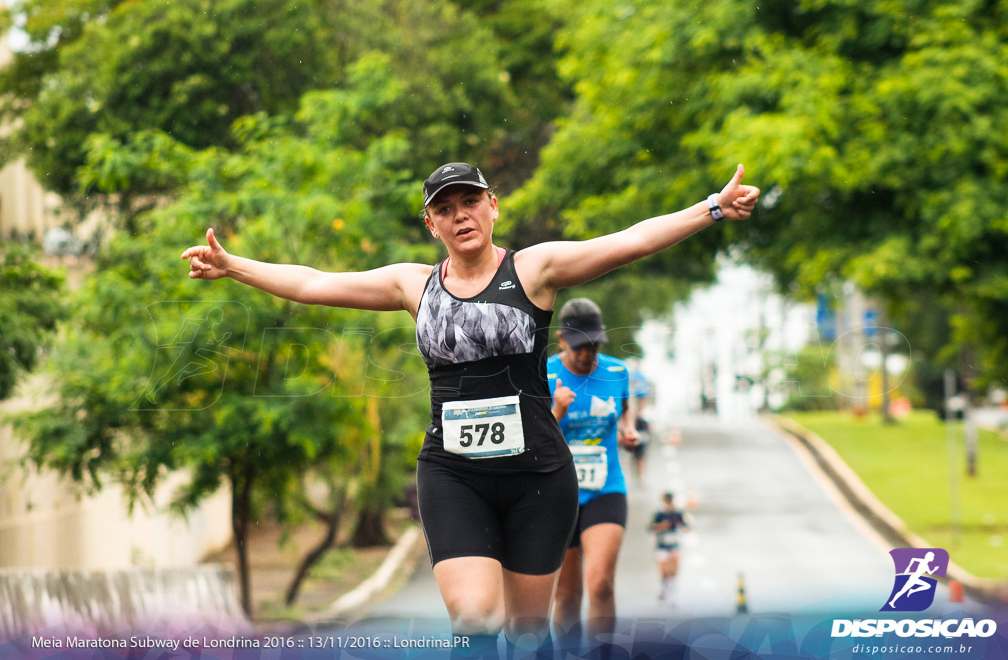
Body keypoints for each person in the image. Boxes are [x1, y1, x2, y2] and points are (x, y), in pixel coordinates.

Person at [181, 161, 759, 656]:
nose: (461, 215)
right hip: (455, 475)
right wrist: (235, 267)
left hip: (538, 476)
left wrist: (711, 207)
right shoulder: (414, 286)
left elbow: (629, 240)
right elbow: (313, 282)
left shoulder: (535, 270)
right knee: (476, 622)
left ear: (493, 208)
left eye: (470, 202)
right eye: (446, 208)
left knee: (531, 635)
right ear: (430, 223)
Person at [548, 298, 637, 649]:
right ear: (562, 340)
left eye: (595, 345)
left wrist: (628, 431)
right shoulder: (546, 375)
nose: (588, 354)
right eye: (580, 346)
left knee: (601, 583)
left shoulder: (617, 371)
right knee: (568, 597)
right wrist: (556, 410)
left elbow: (625, 410)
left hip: (606, 488)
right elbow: (534, 439)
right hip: (560, 494)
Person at [650, 492, 688, 605]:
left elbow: (684, 526)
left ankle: (672, 593)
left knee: (673, 569)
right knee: (663, 570)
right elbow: (651, 527)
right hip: (661, 545)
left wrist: (679, 526)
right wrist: (662, 526)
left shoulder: (677, 513)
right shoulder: (659, 513)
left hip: (674, 545)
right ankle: (663, 589)